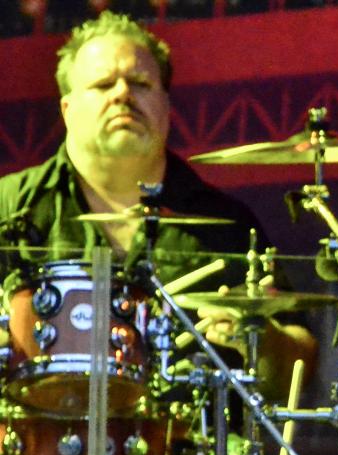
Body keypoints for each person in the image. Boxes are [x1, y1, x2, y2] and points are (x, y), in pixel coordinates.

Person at [0, 11, 315, 395]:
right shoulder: (11, 206)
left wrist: (262, 339)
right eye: (102, 85)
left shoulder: (226, 223)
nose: (122, 94)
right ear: (67, 110)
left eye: (139, 83)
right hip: (31, 445)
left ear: (166, 103)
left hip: (181, 447)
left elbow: (300, 368)